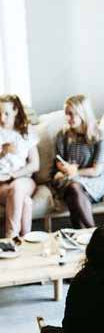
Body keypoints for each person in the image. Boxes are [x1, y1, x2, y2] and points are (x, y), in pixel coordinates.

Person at [51, 94, 104, 229]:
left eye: (71, 114)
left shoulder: (99, 135)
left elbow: (96, 170)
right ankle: (93, 232)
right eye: (66, 114)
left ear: (83, 114)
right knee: (74, 188)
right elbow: (58, 162)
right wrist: (66, 169)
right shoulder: (62, 134)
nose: (67, 118)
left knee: (73, 191)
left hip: (93, 179)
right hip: (69, 177)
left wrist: (76, 171)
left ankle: (87, 233)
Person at [0, 95, 39, 239]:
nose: (2, 118)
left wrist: (13, 175)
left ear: (16, 110)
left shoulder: (26, 131)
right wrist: (3, 153)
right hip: (1, 183)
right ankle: (25, 239)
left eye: (6, 113)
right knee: (25, 201)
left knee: (17, 188)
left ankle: (11, 237)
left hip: (23, 180)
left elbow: (35, 164)